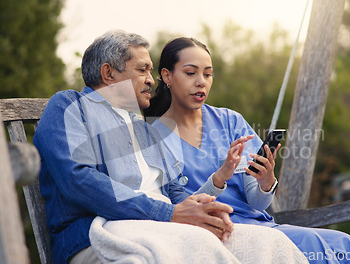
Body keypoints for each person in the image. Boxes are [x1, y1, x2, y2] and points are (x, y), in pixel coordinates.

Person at [33, 30, 308, 264]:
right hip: (100, 230)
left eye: (150, 71)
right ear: (108, 74)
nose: (151, 81)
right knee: (198, 244)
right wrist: (170, 214)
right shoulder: (70, 106)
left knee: (268, 243)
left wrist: (203, 208)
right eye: (142, 70)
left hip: (161, 226)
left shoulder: (144, 128)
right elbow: (78, 180)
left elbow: (174, 190)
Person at [144, 37, 350, 264]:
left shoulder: (230, 121)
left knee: (344, 244)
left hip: (259, 223)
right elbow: (180, 208)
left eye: (208, 74)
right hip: (220, 229)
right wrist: (220, 178)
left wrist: (265, 182)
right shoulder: (151, 138)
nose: (201, 82)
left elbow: (257, 203)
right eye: (191, 73)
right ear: (167, 76)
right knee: (312, 244)